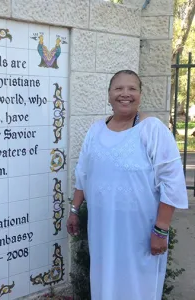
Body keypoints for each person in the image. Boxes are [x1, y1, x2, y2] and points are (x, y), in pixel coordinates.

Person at [67, 70, 188, 300]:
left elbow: (171, 182)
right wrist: (74, 210)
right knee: (105, 285)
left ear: (140, 95)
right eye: (118, 88)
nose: (125, 94)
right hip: (102, 231)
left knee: (137, 288)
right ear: (109, 95)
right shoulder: (95, 131)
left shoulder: (152, 130)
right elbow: (82, 174)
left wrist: (161, 229)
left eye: (132, 88)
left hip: (141, 233)